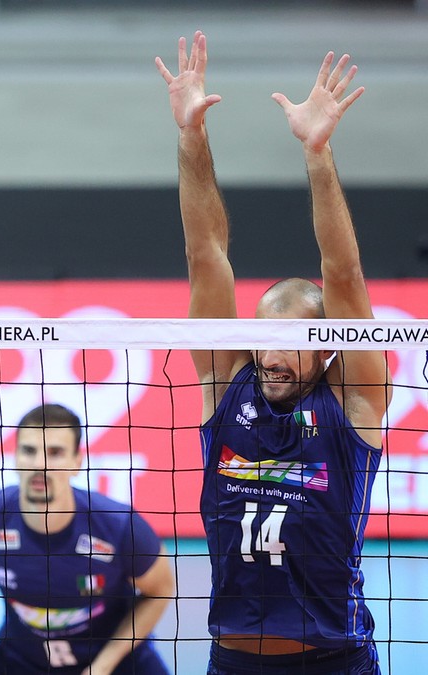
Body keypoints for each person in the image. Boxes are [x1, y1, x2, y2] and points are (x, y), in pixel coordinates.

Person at [156, 32, 389, 674]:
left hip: (333, 659)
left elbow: (343, 274)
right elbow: (207, 256)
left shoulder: (354, 404)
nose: (272, 354)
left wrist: (317, 152)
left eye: (292, 340)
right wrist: (190, 137)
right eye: (263, 335)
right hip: (233, 660)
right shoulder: (228, 387)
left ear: (329, 349)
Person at [0, 404, 174, 675]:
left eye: (55, 453)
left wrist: (103, 666)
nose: (39, 464)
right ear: (15, 457)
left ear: (77, 462)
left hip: (117, 662)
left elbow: (160, 590)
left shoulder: (118, 525)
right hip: (21, 660)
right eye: (29, 451)